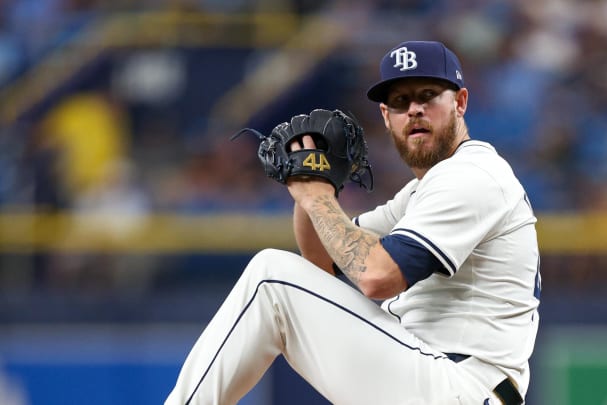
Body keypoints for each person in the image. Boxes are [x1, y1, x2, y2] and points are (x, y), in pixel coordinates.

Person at [166, 40, 541, 405]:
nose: (413, 109)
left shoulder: (472, 175)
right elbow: (322, 262)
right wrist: (313, 184)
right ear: (385, 116)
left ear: (460, 102)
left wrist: (318, 196)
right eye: (399, 101)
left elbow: (376, 276)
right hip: (433, 380)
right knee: (282, 280)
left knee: (270, 277)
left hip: (460, 386)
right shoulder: (421, 193)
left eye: (427, 95)